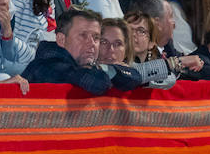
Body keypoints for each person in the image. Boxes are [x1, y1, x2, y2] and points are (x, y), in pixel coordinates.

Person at [22, 8, 180, 92]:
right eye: (83, 36)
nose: (91, 44)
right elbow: (97, 83)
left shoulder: (82, 64)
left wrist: (105, 68)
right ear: (61, 40)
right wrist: (105, 69)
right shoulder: (47, 63)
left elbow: (134, 77)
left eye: (96, 38)